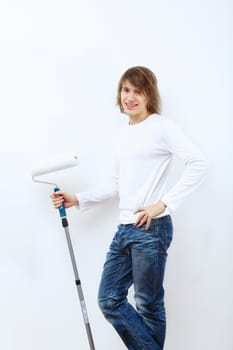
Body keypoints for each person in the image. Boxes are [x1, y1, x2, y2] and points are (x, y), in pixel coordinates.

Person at [51, 66, 208, 350]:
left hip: (151, 228)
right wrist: (78, 198)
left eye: (138, 91)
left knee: (148, 305)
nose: (130, 97)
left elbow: (198, 163)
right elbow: (114, 185)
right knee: (109, 300)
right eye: (126, 90)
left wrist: (164, 204)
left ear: (149, 95)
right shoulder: (122, 134)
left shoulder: (162, 127)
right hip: (125, 228)